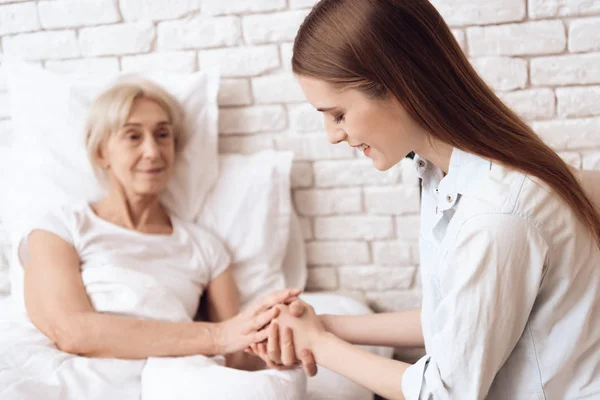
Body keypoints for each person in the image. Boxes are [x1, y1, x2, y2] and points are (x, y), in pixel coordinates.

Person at [247, 0, 600, 399]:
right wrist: (322, 324)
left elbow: (442, 393)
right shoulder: (442, 175)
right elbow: (452, 320)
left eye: (339, 114)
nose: (332, 134)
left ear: (397, 88)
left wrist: (322, 346)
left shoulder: (496, 216)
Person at [17, 77, 305, 371]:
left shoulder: (206, 248)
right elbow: (72, 331)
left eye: (163, 135)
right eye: (133, 136)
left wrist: (276, 336)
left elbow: (236, 355)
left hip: (177, 381)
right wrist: (217, 337)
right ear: (102, 151)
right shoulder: (59, 228)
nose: (152, 151)